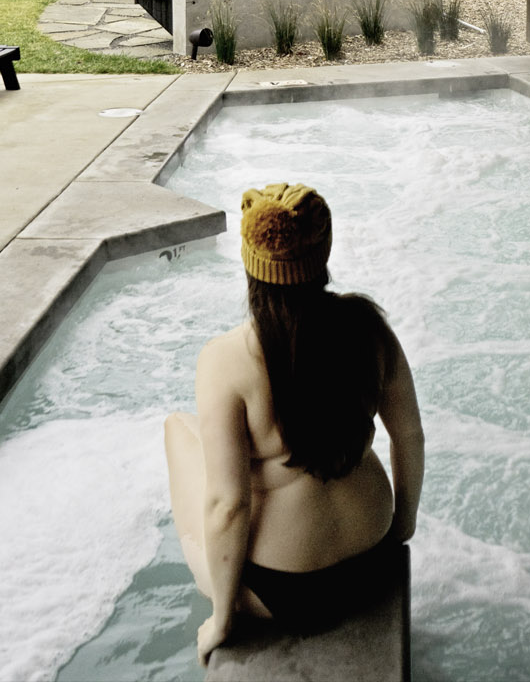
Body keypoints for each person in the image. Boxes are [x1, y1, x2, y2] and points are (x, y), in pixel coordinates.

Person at [164, 181, 424, 667]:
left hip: (284, 592)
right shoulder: (369, 331)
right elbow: (408, 435)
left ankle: (217, 590)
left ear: (252, 268)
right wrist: (402, 526)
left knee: (178, 432)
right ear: (321, 255)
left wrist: (221, 618)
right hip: (372, 559)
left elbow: (228, 506)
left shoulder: (227, 359)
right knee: (198, 438)